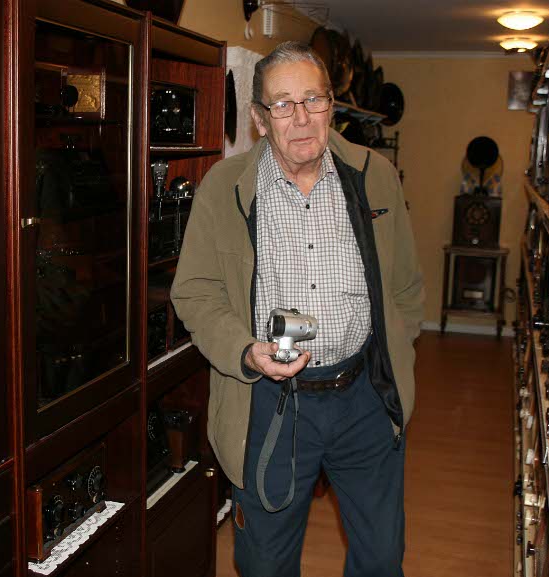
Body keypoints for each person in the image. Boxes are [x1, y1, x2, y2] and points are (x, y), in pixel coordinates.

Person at [171, 41, 424, 577]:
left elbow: (406, 288)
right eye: (283, 104)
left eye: (313, 99)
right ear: (260, 119)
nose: (302, 118)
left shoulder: (374, 174)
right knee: (264, 563)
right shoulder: (224, 188)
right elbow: (194, 291)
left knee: (381, 558)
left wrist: (394, 361)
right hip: (271, 404)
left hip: (363, 397)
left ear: (331, 105)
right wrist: (245, 351)